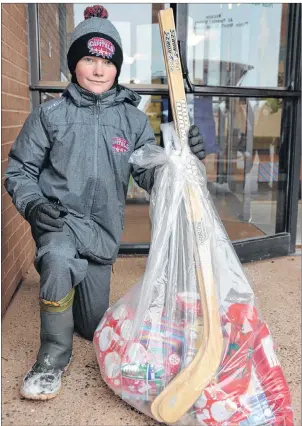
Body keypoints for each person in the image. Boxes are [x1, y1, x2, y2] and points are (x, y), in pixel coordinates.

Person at [4, 5, 206, 401]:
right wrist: (32, 205)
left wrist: (182, 159)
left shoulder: (131, 121)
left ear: (117, 68)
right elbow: (19, 171)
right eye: (89, 59)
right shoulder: (50, 115)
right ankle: (52, 358)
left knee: (92, 326)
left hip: (102, 236)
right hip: (59, 223)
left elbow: (149, 172)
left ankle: (71, 298)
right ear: (74, 65)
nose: (98, 70)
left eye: (106, 62)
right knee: (58, 262)